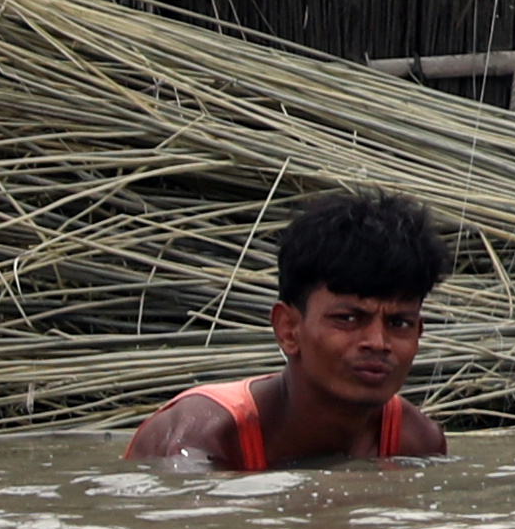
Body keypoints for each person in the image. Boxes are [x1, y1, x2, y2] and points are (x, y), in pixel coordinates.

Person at [128, 189, 456, 467]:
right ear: (288, 329)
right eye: (348, 319)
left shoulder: (417, 442)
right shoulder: (207, 437)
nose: (377, 342)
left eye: (399, 324)